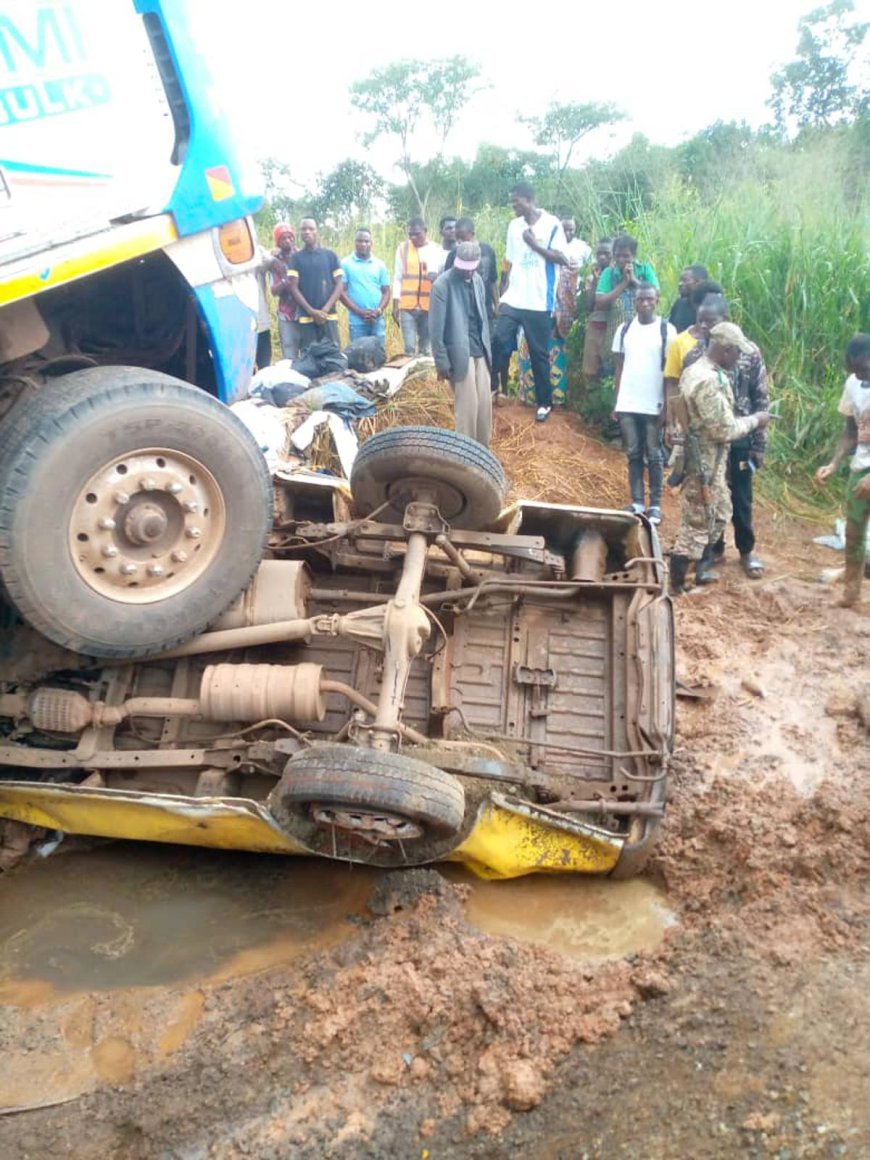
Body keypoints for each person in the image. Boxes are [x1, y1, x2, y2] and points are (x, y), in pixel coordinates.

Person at [669, 322, 773, 594]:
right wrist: (756, 420)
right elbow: (724, 429)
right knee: (697, 524)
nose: (739, 358)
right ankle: (679, 582)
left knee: (720, 512)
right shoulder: (707, 380)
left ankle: (694, 570)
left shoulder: (700, 370)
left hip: (710, 462)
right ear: (725, 350)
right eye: (737, 352)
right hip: (703, 464)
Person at [492, 181, 569, 422]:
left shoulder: (552, 224)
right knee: (498, 338)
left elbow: (562, 258)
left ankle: (544, 403)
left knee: (538, 353)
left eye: (516, 201)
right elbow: (509, 261)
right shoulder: (514, 226)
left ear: (529, 199)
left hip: (538, 300)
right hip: (514, 297)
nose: (513, 205)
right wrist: (502, 293)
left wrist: (534, 245)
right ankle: (492, 387)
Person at [611, 284, 676, 525]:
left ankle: (655, 505)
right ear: (635, 302)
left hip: (653, 404)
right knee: (633, 453)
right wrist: (617, 401)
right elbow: (619, 367)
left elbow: (670, 374)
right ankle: (637, 502)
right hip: (628, 402)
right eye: (640, 300)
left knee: (655, 455)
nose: (645, 303)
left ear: (657, 300)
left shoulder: (666, 330)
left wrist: (667, 407)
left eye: (649, 299)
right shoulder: (624, 329)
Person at [814, 333, 870, 608]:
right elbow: (850, 431)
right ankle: (851, 592)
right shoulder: (853, 383)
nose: (860, 375)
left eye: (864, 369)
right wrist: (834, 463)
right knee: (854, 534)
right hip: (860, 468)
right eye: (855, 370)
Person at [429, 241, 492, 447]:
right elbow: (435, 330)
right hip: (458, 355)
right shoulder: (442, 285)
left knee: (484, 407)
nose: (468, 272)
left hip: (480, 350)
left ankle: (483, 454)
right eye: (464, 268)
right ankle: (465, 456)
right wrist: (442, 362)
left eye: (471, 268)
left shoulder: (478, 281)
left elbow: (483, 318)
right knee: (467, 410)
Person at [285, 218, 344, 352]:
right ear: (300, 233)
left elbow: (339, 284)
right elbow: (293, 287)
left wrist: (325, 310)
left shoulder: (330, 256)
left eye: (311, 229)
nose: (307, 232)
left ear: (317, 231)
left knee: (333, 356)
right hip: (306, 318)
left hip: (329, 316)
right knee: (309, 357)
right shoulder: (295, 259)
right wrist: (311, 311)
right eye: (303, 229)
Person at [392, 217, 444, 356]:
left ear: (425, 231)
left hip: (429, 307)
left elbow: (443, 279)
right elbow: (397, 278)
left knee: (425, 349)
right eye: (410, 234)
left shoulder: (436, 250)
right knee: (409, 348)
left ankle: (422, 370)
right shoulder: (402, 249)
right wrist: (395, 305)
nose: (413, 238)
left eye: (417, 234)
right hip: (407, 307)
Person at [593, 234, 659, 341]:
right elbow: (600, 302)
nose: (621, 260)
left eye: (626, 256)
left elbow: (656, 294)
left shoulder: (644, 269)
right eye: (618, 256)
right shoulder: (608, 273)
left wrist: (634, 280)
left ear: (634, 255)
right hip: (615, 334)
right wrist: (624, 283)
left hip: (644, 333)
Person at [340, 228, 391, 342]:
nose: (363, 244)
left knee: (379, 352)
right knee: (358, 352)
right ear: (355, 242)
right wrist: (359, 311)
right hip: (357, 322)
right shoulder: (345, 264)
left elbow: (386, 291)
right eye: (360, 241)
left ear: (371, 243)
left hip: (377, 320)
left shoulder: (380, 265)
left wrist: (378, 311)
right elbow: (341, 292)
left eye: (366, 241)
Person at [581, 238, 614, 382]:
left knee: (610, 367)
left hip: (612, 325)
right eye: (599, 253)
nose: (602, 257)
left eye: (606, 254)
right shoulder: (591, 277)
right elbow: (589, 306)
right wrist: (595, 281)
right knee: (590, 369)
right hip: (595, 325)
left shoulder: (617, 276)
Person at [269, 223, 299, 360]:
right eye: (283, 238)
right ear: (278, 242)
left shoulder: (301, 255)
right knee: (289, 354)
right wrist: (286, 279)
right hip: (286, 313)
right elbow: (273, 290)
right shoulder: (274, 261)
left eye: (290, 237)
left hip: (305, 311)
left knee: (308, 352)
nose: (288, 241)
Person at [669, 265, 710, 333]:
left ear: (698, 283)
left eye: (685, 280)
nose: (680, 284)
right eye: (680, 280)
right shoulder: (679, 304)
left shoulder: (711, 306)